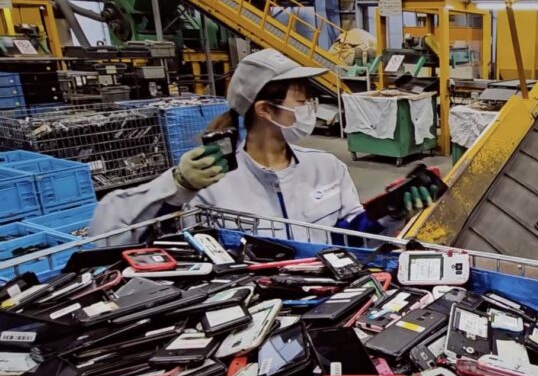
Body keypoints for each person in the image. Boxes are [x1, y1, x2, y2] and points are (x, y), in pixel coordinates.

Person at [90, 48, 430, 244]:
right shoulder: (210, 181)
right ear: (265, 109)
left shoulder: (327, 167)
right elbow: (106, 237)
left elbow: (348, 239)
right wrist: (176, 187)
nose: (312, 108)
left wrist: (391, 213)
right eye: (303, 100)